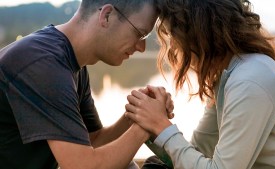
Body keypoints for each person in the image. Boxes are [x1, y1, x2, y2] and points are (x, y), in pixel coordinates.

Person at [125, 0, 275, 168]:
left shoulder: (250, 80)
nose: (172, 46)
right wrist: (148, 121)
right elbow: (196, 153)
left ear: (196, 34)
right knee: (155, 164)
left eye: (173, 35)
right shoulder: (230, 77)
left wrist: (160, 125)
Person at [0, 0, 174, 168]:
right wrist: (145, 125)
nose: (142, 47)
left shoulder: (72, 64)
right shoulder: (43, 65)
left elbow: (94, 141)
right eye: (140, 33)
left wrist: (137, 114)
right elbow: (82, 166)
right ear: (106, 16)